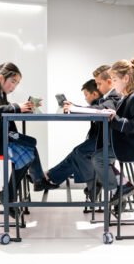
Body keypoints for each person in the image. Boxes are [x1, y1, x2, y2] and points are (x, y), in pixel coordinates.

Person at [0, 63, 56, 216]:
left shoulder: (0, 95)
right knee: (27, 151)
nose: (14, 86)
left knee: (31, 142)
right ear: (1, 78)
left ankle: (35, 181)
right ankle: (12, 191)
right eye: (13, 81)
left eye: (17, 83)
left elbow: (6, 114)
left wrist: (27, 108)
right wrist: (16, 107)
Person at [48, 66, 122, 201]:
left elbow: (101, 109)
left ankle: (94, 185)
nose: (98, 87)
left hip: (108, 142)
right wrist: (74, 107)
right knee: (77, 153)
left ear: (109, 82)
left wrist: (75, 108)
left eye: (99, 84)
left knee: (79, 152)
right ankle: (51, 177)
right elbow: (97, 109)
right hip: (103, 140)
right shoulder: (108, 97)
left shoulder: (113, 97)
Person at [92, 58, 134, 205]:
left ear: (126, 79)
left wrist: (115, 119)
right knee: (98, 156)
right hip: (129, 143)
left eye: (115, 79)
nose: (113, 84)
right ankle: (121, 186)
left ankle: (120, 188)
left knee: (98, 158)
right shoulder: (127, 97)